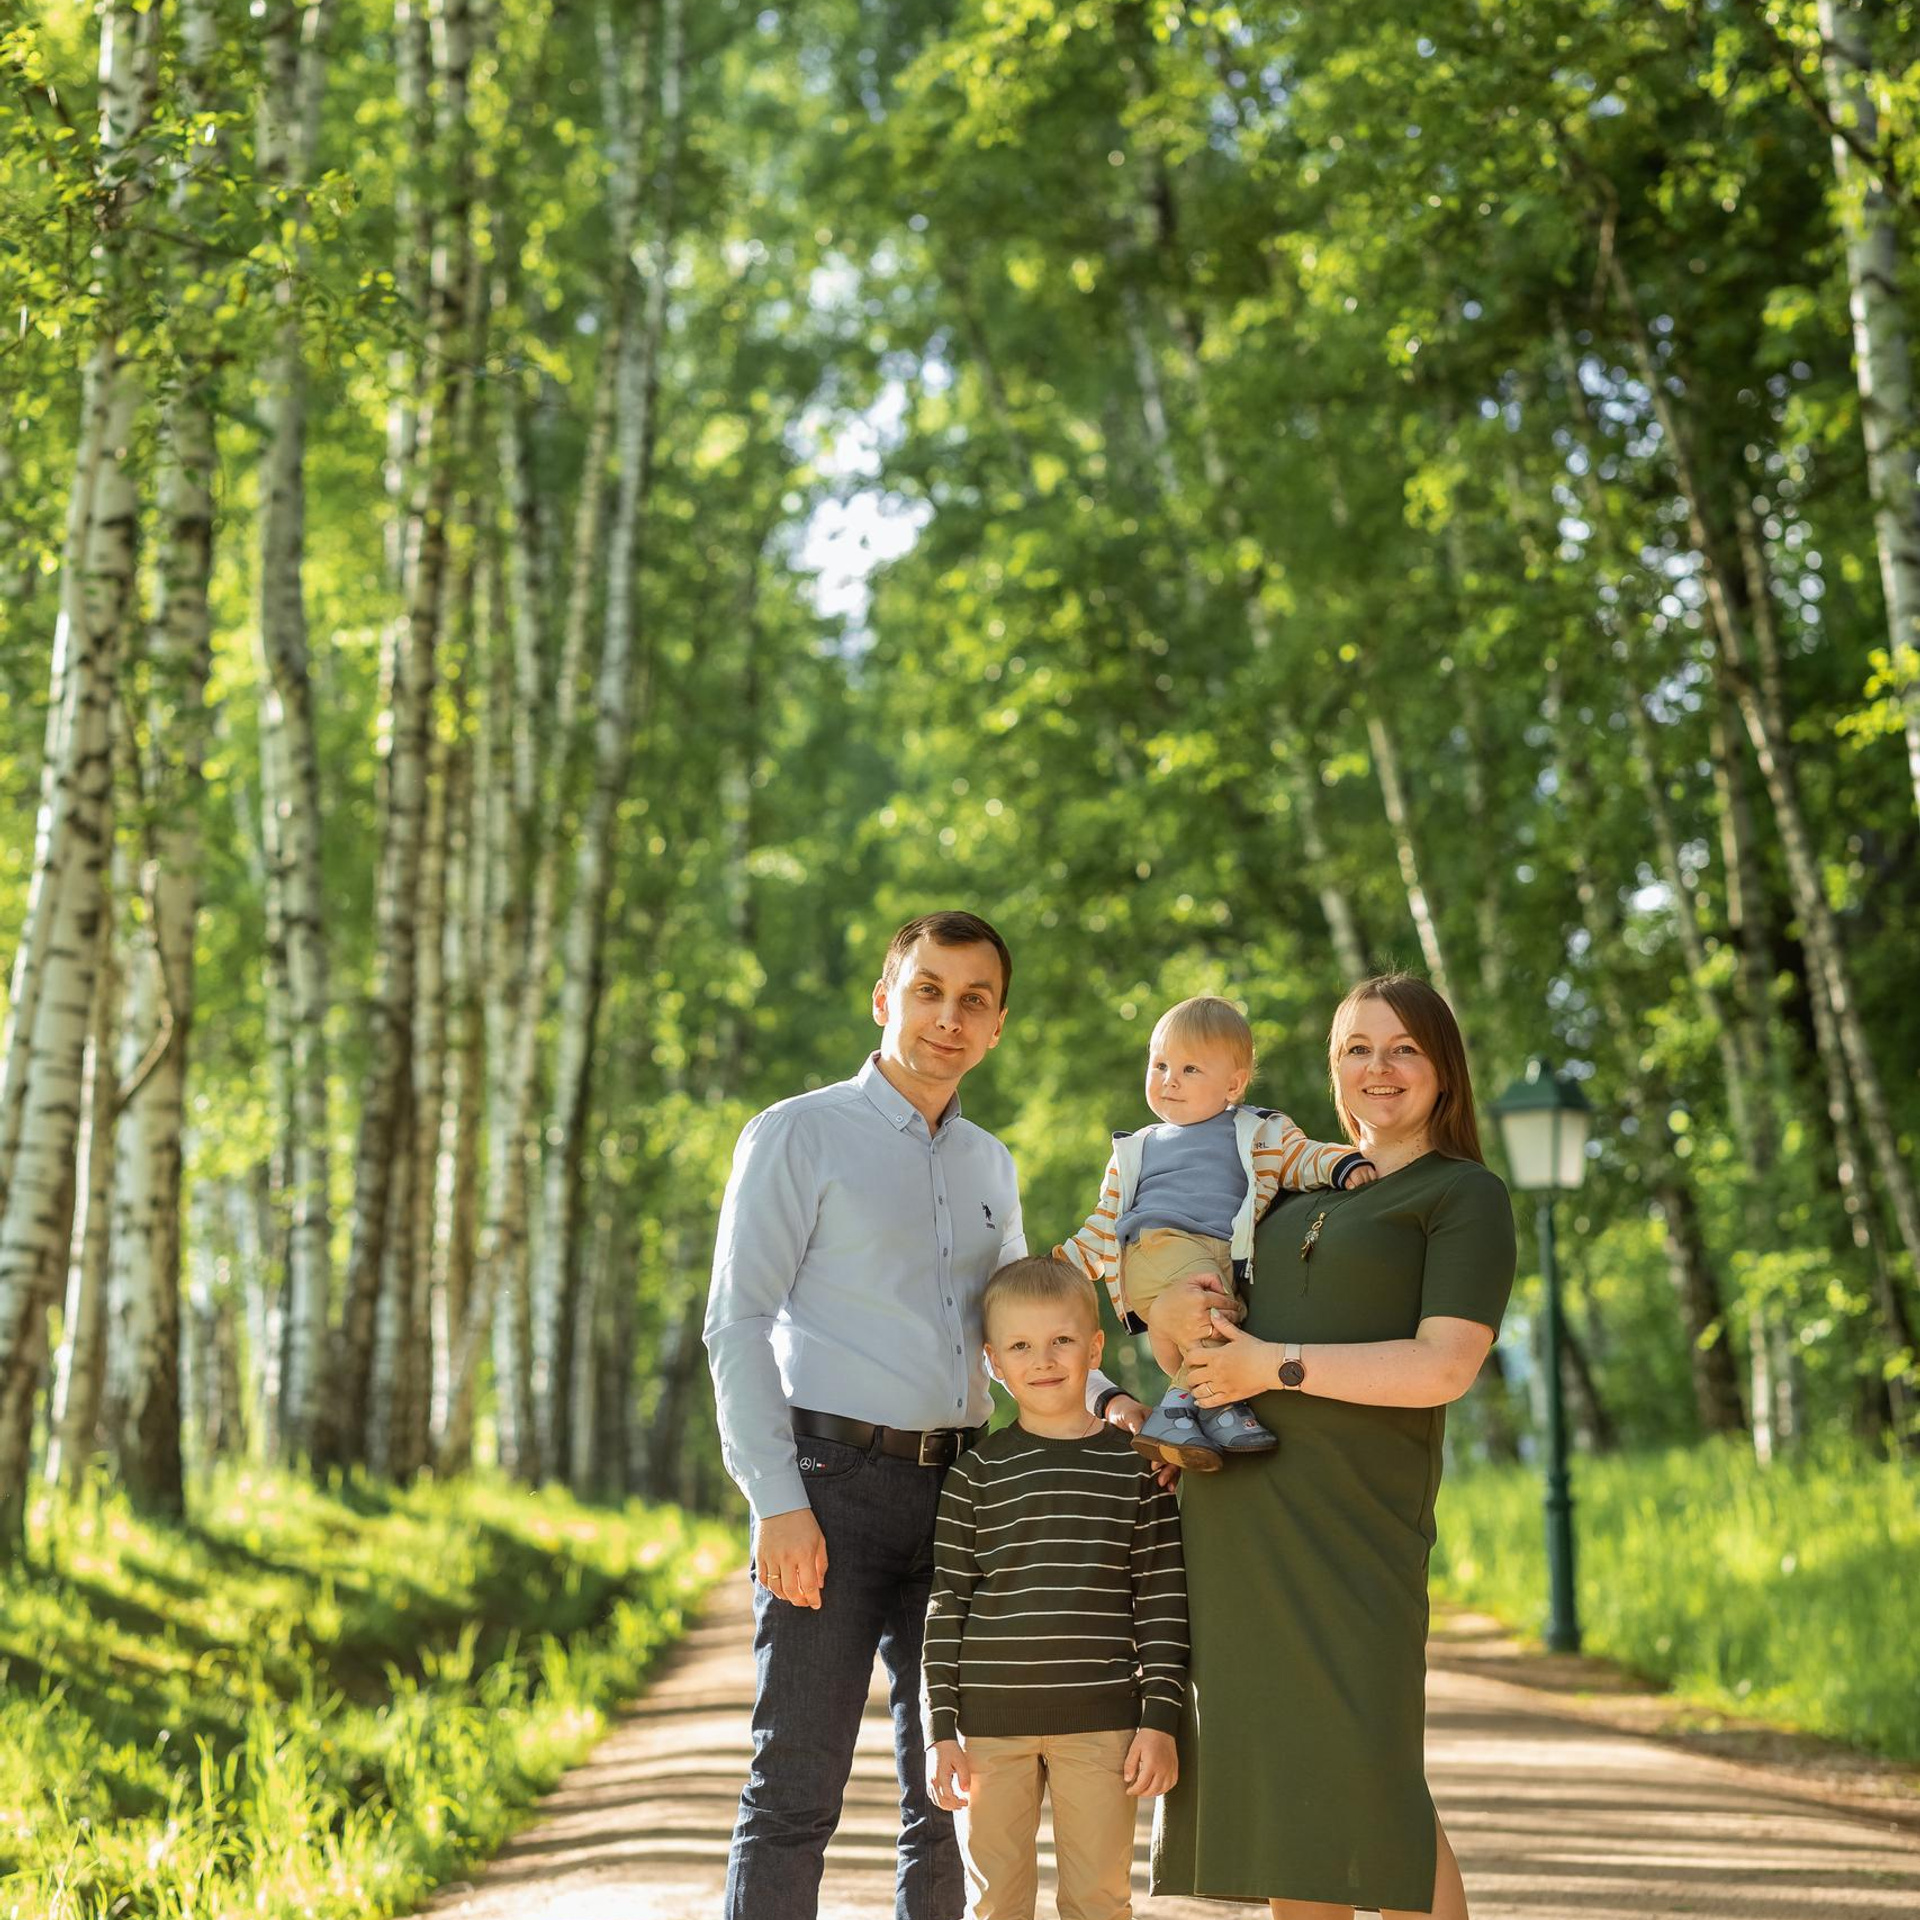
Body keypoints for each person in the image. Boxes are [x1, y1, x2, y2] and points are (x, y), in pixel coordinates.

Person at [703, 910, 1131, 1920]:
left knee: (953, 1792)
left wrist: (1112, 1405)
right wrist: (776, 1500)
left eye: (974, 1000)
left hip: (968, 1497)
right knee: (796, 1789)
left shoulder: (991, 1164)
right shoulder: (796, 1134)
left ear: (997, 1026)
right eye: (930, 990)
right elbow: (736, 1323)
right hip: (830, 1493)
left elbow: (1028, 1327)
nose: (950, 1015)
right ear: (885, 999)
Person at [1149, 973, 1517, 1920]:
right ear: (1332, 1068)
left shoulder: (1463, 1195)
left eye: (1403, 1048)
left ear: (1443, 1067)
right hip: (1234, 1522)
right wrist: (1175, 1322)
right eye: (1357, 1048)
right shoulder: (1276, 1195)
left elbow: (1444, 1368)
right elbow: (1195, 1323)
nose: (1378, 1068)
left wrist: (1276, 1365)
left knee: (1373, 1780)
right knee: (1288, 1803)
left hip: (1358, 1526)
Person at [923, 1255, 1185, 1920]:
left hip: (1101, 1724)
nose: (1043, 1360)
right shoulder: (975, 1476)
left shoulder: (1135, 1471)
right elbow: (947, 1605)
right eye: (1020, 1346)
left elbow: (1161, 1600)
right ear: (993, 1362)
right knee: (996, 1904)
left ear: (1095, 1348)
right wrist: (940, 1732)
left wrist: (1160, 1720)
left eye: (1062, 1340)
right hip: (988, 1730)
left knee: (1099, 1898)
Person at [1056, 995, 1375, 1473]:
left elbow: (1302, 1158)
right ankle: (1191, 1408)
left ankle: (1202, 1407)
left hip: (1215, 1263)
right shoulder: (1139, 1148)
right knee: (1208, 1299)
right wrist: (1063, 1268)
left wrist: (1342, 1164)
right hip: (1157, 1249)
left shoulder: (1256, 1132)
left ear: (1233, 1083)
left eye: (1189, 1070)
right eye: (1160, 1064)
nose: (1169, 1080)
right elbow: (1105, 1221)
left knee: (1227, 1313)